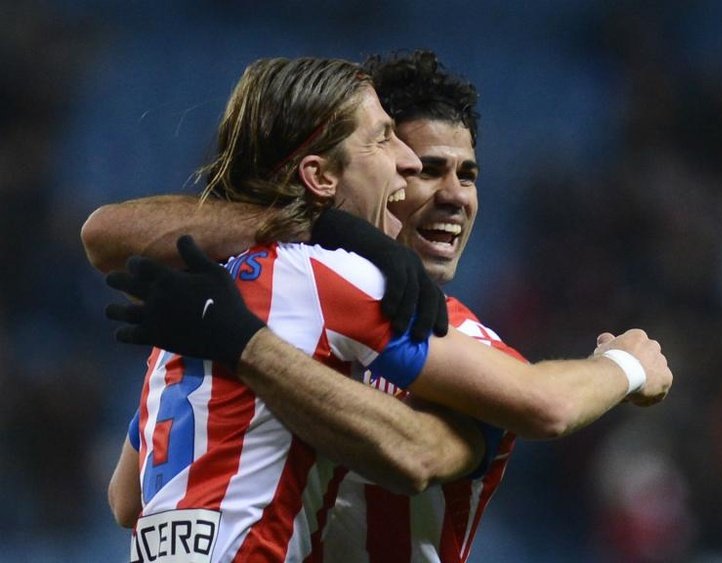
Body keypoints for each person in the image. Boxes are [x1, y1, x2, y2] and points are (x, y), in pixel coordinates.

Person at [88, 55, 672, 562]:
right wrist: (628, 364)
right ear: (325, 174)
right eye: (395, 147)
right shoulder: (310, 283)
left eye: (467, 174)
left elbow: (128, 497)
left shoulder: (203, 299)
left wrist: (257, 344)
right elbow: (509, 418)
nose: (426, 178)